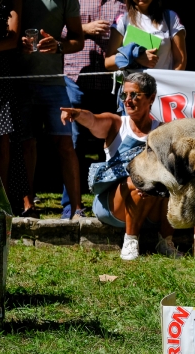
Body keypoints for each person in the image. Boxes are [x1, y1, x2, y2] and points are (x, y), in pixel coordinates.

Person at [60, 72, 183, 261]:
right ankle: (131, 240)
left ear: (151, 98)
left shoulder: (163, 131)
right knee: (137, 180)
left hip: (152, 205)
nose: (128, 100)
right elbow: (92, 120)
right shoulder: (116, 124)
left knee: (172, 181)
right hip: (113, 206)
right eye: (124, 95)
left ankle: (165, 241)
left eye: (134, 95)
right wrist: (77, 114)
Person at [59, 0, 128, 219]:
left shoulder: (124, 4)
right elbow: (56, 32)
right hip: (75, 79)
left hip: (110, 85)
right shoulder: (76, 1)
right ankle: (71, 205)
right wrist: (84, 30)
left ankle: (111, 204)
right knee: (74, 144)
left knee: (110, 145)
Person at [18, 0, 86, 219]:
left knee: (65, 144)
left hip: (54, 83)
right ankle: (28, 207)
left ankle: (76, 210)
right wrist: (16, 43)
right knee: (26, 144)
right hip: (19, 80)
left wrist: (59, 46)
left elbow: (78, 39)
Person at [0, 0, 30, 215]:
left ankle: (0, 203)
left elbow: (12, 40)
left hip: (0, 75)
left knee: (3, 142)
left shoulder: (13, 0)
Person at [104, 0, 187, 71]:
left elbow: (180, 60)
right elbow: (108, 63)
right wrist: (136, 58)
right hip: (134, 86)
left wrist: (170, 85)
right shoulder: (122, 20)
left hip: (163, 87)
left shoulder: (170, 17)